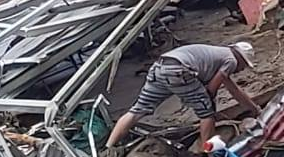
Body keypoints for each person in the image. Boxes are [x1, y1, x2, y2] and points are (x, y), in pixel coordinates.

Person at [107, 41, 261, 149]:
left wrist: (255, 110)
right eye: (245, 65)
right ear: (241, 58)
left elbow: (234, 90)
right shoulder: (231, 60)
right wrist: (208, 108)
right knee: (206, 113)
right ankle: (209, 153)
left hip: (159, 68)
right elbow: (212, 88)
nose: (242, 70)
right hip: (179, 70)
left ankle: (109, 147)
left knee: (136, 111)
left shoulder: (219, 54)